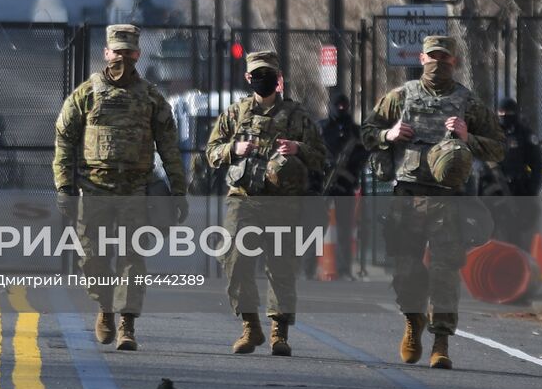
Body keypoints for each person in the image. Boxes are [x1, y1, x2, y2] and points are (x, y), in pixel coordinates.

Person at [363, 35, 504, 370]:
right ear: (422, 57)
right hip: (408, 196)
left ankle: (441, 341)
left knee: (444, 271)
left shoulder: (467, 103)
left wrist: (468, 137)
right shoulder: (401, 97)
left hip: (448, 200)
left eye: (445, 57)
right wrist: (390, 134)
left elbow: (498, 147)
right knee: (407, 269)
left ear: (454, 61)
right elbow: (368, 131)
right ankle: (413, 322)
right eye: (433, 56)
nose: (438, 63)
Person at [53, 23, 189, 352]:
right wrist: (64, 187)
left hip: (134, 189)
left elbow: (169, 147)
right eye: (117, 52)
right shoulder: (86, 94)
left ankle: (127, 322)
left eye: (129, 53)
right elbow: (64, 141)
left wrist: (179, 190)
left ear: (138, 55)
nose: (123, 59)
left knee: (132, 257)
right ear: (106, 53)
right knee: (92, 259)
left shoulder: (152, 98)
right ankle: (104, 308)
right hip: (94, 189)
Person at [205, 50, 326, 357]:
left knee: (281, 266)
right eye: (257, 74)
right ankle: (250, 325)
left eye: (268, 73)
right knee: (233, 259)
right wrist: (235, 148)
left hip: (283, 203)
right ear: (248, 78)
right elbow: (211, 153)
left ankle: (279, 331)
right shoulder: (235, 114)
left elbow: (321, 158)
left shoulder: (297, 116)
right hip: (244, 198)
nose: (263, 79)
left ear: (278, 78)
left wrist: (298, 147)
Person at [317, 92, 367, 279]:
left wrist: (350, 168)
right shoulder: (322, 128)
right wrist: (326, 166)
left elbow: (363, 154)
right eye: (337, 105)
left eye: (343, 106)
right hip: (324, 183)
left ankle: (345, 269)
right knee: (314, 226)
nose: (340, 109)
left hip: (345, 184)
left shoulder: (354, 131)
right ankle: (308, 268)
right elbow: (313, 150)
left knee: (345, 229)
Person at [492, 96, 542, 249]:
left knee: (514, 232)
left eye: (508, 112)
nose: (504, 115)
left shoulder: (525, 135)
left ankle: (517, 263)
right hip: (492, 190)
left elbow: (537, 165)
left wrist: (531, 189)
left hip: (516, 191)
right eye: (501, 112)